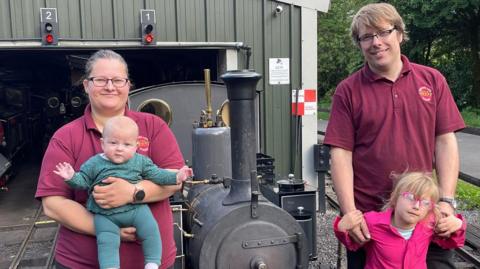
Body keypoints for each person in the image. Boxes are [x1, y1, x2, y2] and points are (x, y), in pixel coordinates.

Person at [323, 3, 465, 269]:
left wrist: (446, 200)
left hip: (424, 214)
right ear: (360, 44)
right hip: (370, 222)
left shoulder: (432, 80)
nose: (376, 42)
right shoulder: (348, 91)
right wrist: (350, 212)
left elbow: (445, 141)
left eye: (383, 32)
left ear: (399, 34)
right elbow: (340, 153)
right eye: (367, 37)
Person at [36, 49, 185, 269]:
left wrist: (132, 193)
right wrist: (107, 228)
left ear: (128, 86)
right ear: (86, 86)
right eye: (100, 80)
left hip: (152, 262)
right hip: (81, 263)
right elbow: (53, 204)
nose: (110, 86)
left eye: (118, 80)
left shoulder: (153, 126)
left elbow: (175, 179)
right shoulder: (66, 137)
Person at [53, 116, 192, 269]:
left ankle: (152, 262)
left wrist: (176, 176)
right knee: (106, 240)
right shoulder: (94, 163)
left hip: (136, 209)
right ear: (102, 143)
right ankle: (110, 266)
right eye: (113, 143)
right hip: (104, 214)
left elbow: (158, 175)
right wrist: (71, 177)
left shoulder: (140, 161)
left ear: (136, 146)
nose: (119, 148)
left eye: (127, 144)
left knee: (150, 228)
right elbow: (83, 181)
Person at [334, 172, 466, 269]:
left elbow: (451, 242)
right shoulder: (373, 222)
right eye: (410, 197)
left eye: (425, 202)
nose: (416, 206)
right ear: (395, 198)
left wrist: (459, 225)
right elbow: (353, 243)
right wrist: (341, 228)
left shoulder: (429, 224)